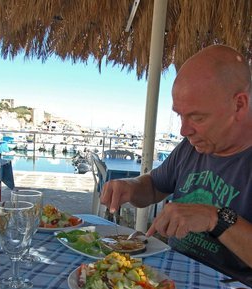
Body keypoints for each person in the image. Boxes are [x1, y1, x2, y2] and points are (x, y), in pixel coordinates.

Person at [100, 45, 252, 277]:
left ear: (239, 105)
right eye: (180, 115)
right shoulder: (194, 145)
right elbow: (154, 187)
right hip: (168, 276)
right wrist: (130, 187)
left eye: (197, 117)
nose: (183, 130)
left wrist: (215, 218)